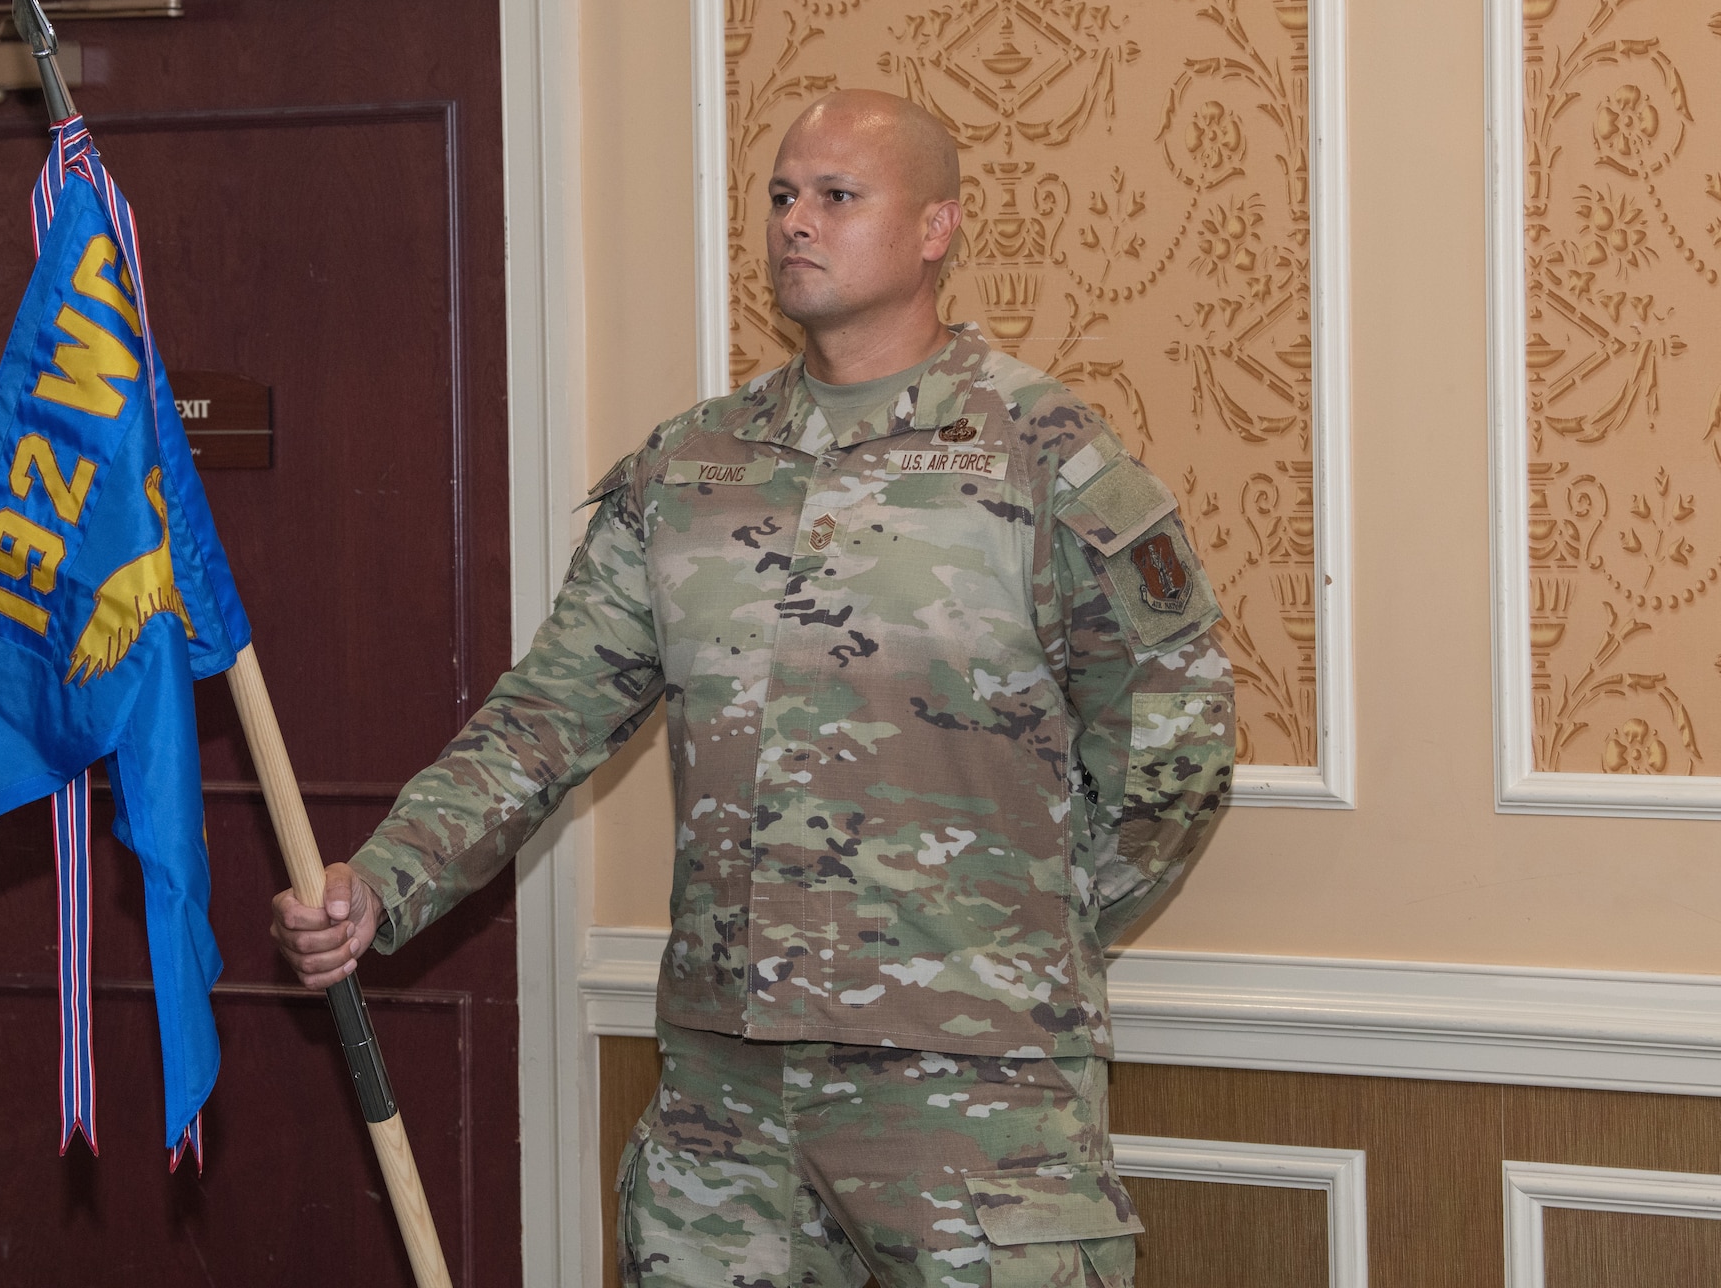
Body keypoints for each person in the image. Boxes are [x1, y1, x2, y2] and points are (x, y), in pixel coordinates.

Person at [273, 90, 1235, 1286]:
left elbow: (1175, 741)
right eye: (782, 194)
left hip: (970, 1098)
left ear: (934, 229)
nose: (795, 221)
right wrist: (384, 879)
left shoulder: (1043, 458)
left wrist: (1026, 926)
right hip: (724, 1104)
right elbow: (546, 715)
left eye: (837, 196)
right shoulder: (691, 469)